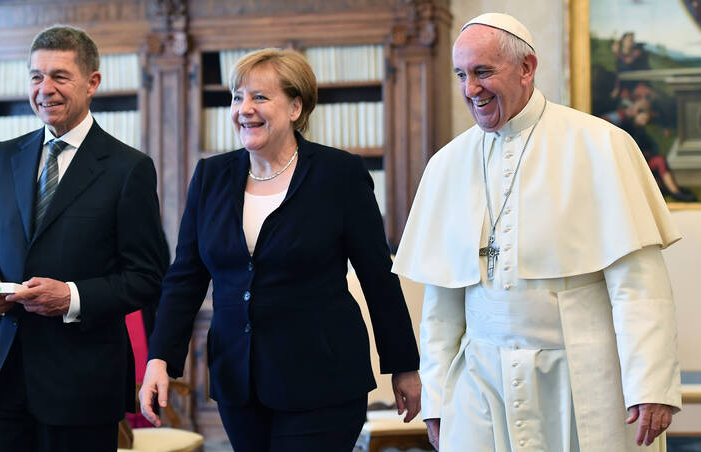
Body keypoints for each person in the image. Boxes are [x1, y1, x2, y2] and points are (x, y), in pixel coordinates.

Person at [393, 13, 681, 452]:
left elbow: (638, 287)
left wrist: (651, 385)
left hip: (585, 375)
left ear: (527, 68)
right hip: (481, 379)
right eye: (462, 75)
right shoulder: (447, 164)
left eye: (483, 72)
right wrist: (435, 397)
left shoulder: (601, 145)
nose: (471, 89)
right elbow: (442, 305)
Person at [139, 48, 421, 452]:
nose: (244, 109)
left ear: (295, 107)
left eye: (259, 97)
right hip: (240, 380)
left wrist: (403, 366)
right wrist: (159, 358)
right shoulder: (210, 177)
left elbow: (378, 276)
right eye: (237, 97)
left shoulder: (339, 175)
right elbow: (185, 276)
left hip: (323, 379)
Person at [0, 25, 169, 451]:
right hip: (4, 380)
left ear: (93, 82)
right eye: (36, 76)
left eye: (60, 76)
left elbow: (147, 277)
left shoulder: (128, 168)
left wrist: (72, 297)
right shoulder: (5, 155)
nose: (45, 89)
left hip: (82, 388)